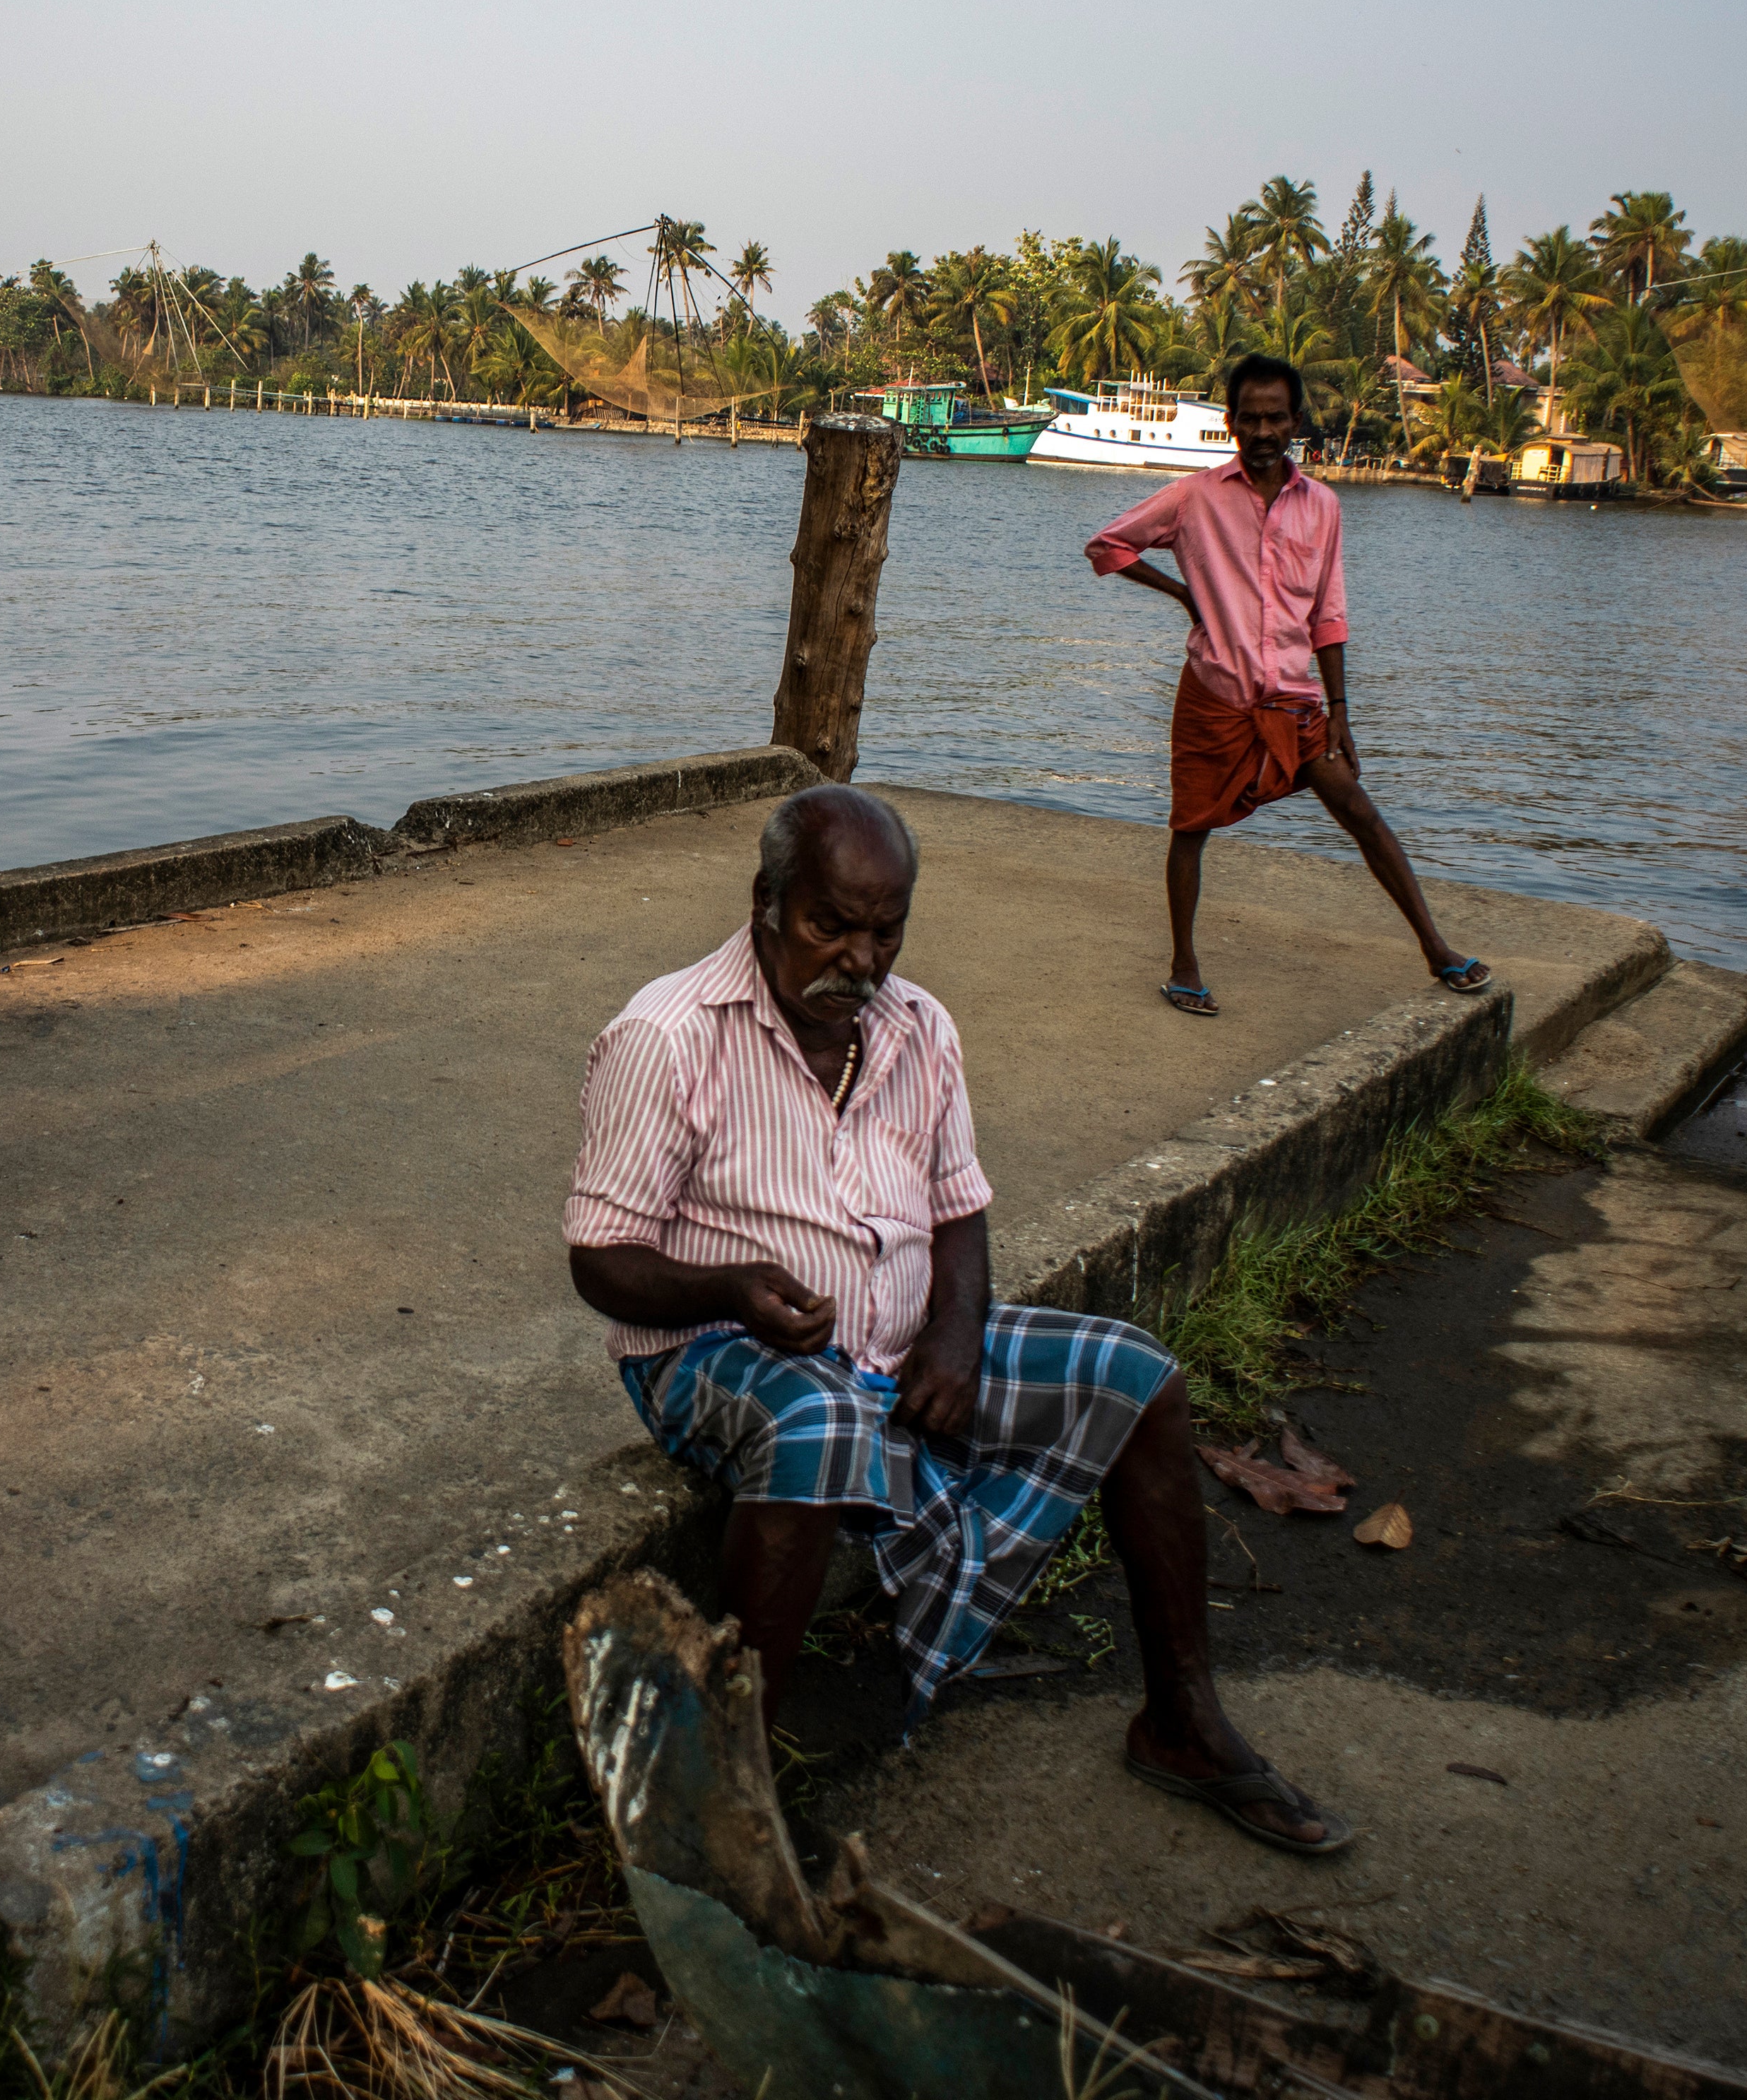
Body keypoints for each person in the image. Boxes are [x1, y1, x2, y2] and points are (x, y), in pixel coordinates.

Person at [566, 786, 1351, 1853]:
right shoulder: (667, 1037)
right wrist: (727, 1286)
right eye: (828, 924)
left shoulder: (919, 1028)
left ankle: (1181, 1719)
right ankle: (731, 1805)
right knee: (821, 1426)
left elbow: (959, 1208)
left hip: (893, 1345)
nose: (858, 957)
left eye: (884, 931)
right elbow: (601, 1260)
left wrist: (955, 1330)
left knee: (1139, 1379)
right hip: (713, 1345)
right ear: (765, 901)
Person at [1084, 353, 1488, 1018]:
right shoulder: (1196, 498)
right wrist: (1185, 594)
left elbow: (1328, 615)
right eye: (1251, 417)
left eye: (1276, 416)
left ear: (1296, 420)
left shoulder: (1323, 506)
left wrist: (1341, 711)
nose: (1264, 429)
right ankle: (1184, 965)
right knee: (1191, 826)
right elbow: (1108, 546)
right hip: (1215, 695)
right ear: (1231, 422)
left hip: (1295, 702)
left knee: (1358, 810)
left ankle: (1437, 947)